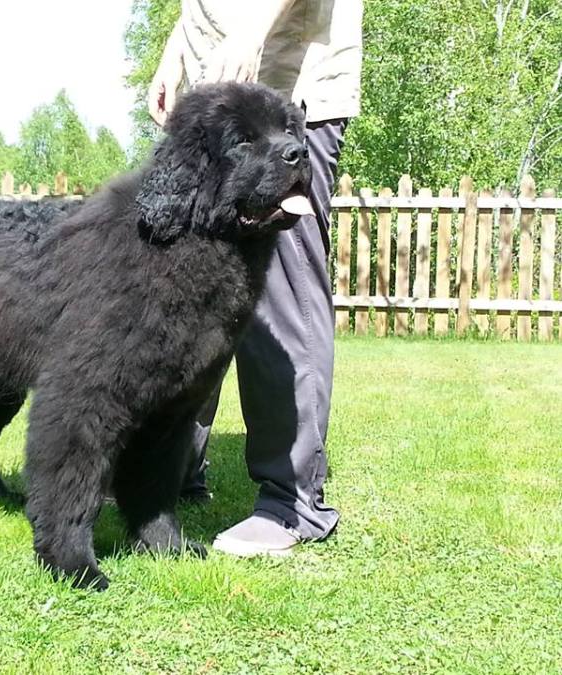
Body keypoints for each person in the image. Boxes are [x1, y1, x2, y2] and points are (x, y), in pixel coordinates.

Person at [147, 0, 363, 556]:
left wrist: (250, 33)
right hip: (215, 92)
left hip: (290, 85)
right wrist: (175, 53)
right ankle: (169, 470)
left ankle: (290, 502)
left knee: (283, 290)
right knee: (187, 291)